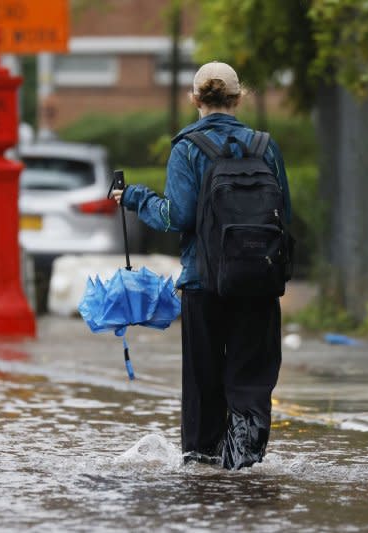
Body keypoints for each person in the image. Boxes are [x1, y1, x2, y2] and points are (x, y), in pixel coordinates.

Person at [111, 61, 291, 470]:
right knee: (250, 380)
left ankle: (201, 471)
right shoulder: (266, 147)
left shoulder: (187, 148)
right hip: (259, 284)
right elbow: (285, 215)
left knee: (203, 386)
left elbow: (178, 217)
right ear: (238, 97)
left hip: (203, 284)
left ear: (194, 99)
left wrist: (137, 198)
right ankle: (244, 461)